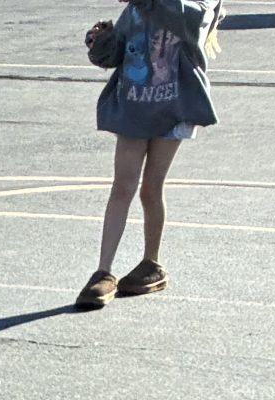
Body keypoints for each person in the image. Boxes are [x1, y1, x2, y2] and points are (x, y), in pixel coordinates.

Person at [78, 0, 224, 308]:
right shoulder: (136, 7)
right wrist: (101, 42)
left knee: (150, 188)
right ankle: (102, 272)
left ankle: (151, 263)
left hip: (174, 106)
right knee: (122, 186)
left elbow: (190, 19)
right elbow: (120, 49)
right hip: (134, 105)